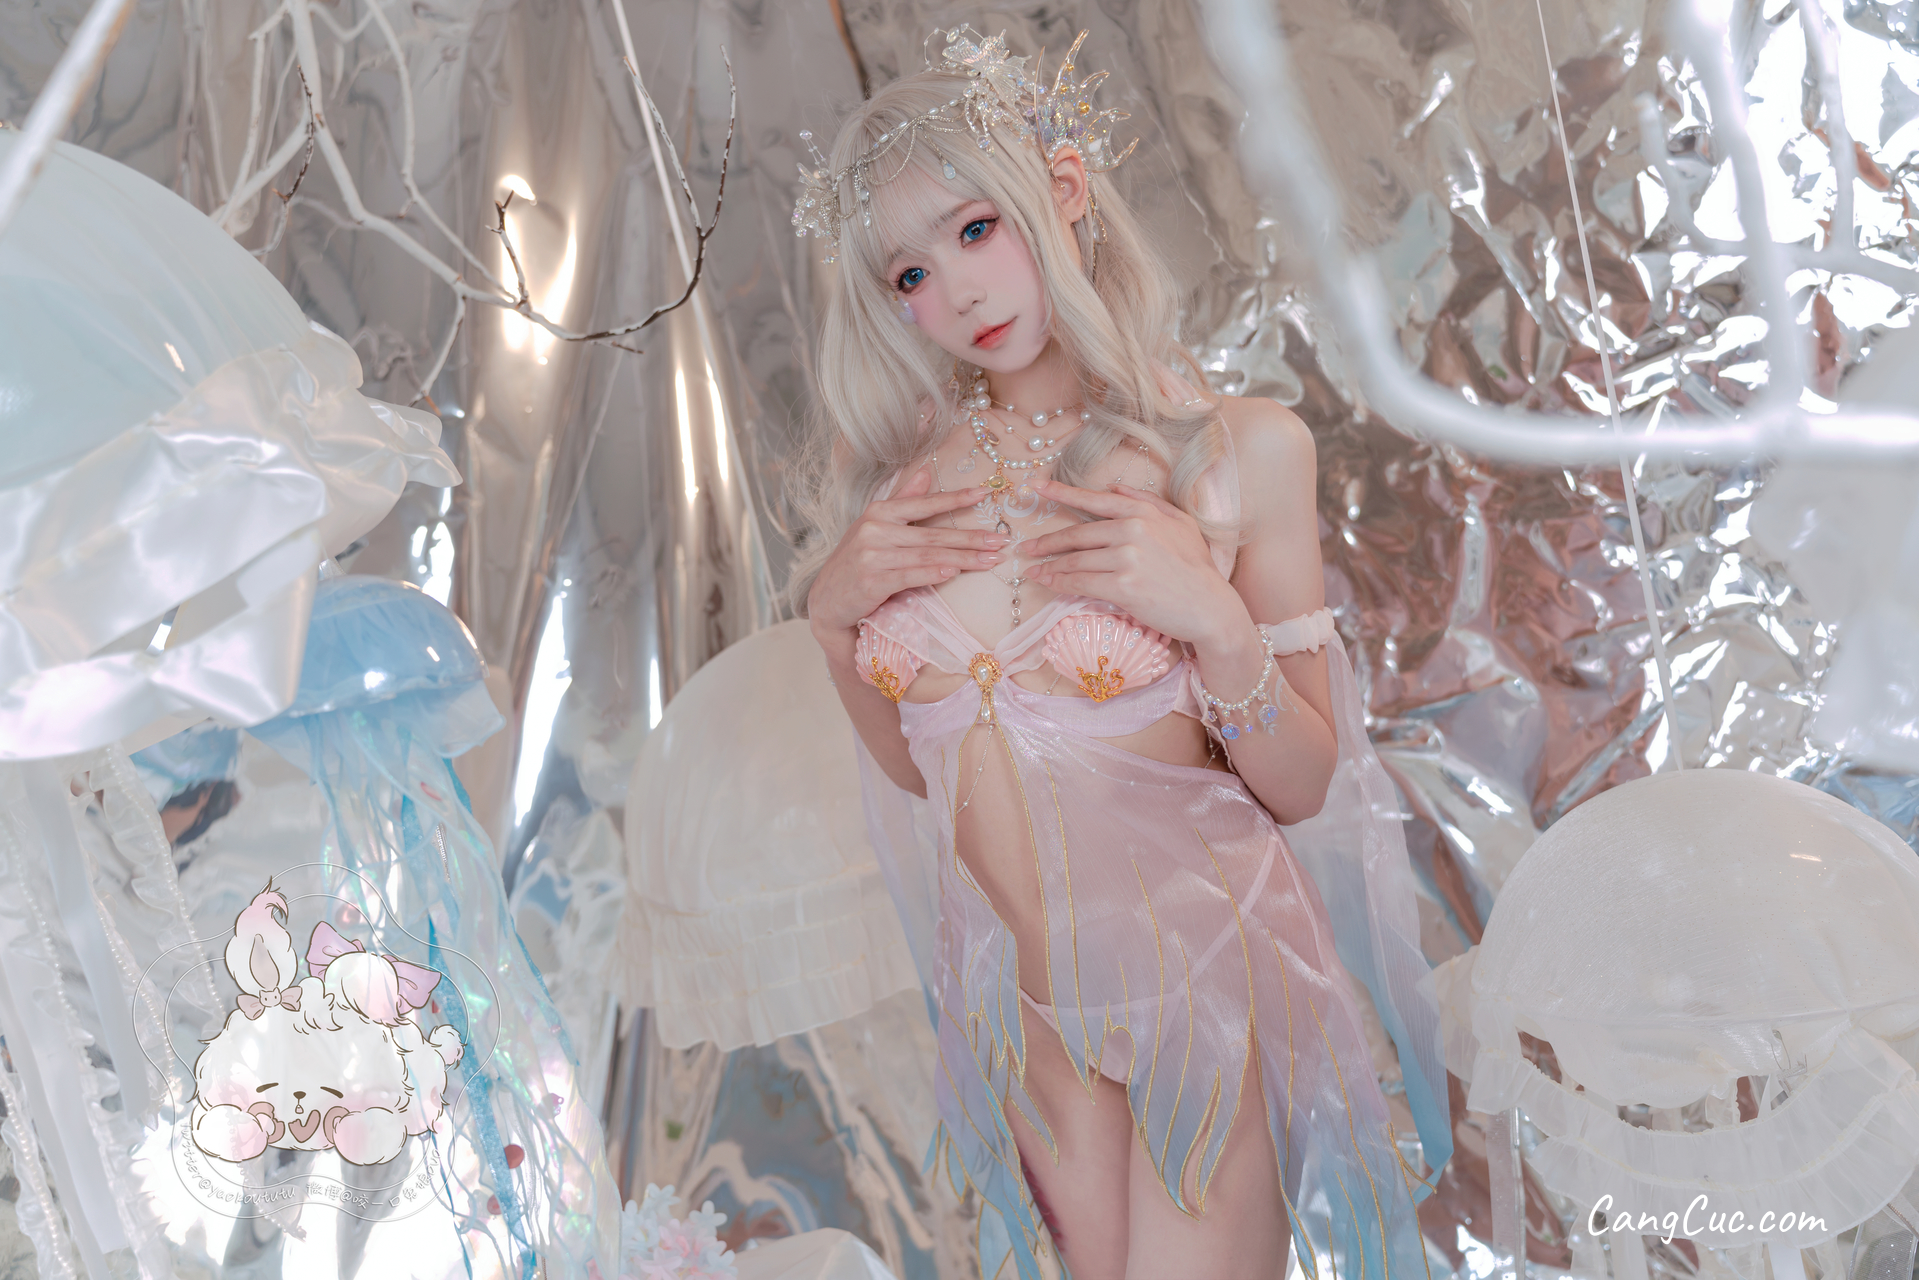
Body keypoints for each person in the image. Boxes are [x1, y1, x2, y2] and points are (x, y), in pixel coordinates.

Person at [790, 28, 1450, 1280]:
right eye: (910, 272)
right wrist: (833, 625)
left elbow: (1303, 782)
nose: (957, 293)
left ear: (1064, 189)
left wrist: (1211, 618)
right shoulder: (895, 479)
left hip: (1199, 981)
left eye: (976, 228)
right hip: (1020, 1010)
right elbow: (923, 769)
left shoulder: (1237, 448)